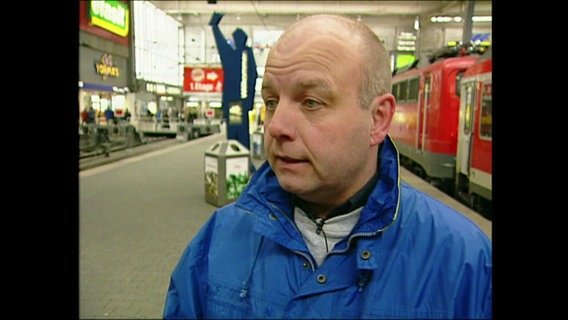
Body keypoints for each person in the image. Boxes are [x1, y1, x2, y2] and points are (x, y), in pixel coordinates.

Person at [163, 14, 492, 319]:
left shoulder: (465, 261)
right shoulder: (216, 240)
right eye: (272, 102)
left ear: (378, 119)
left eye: (311, 102)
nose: (276, 126)